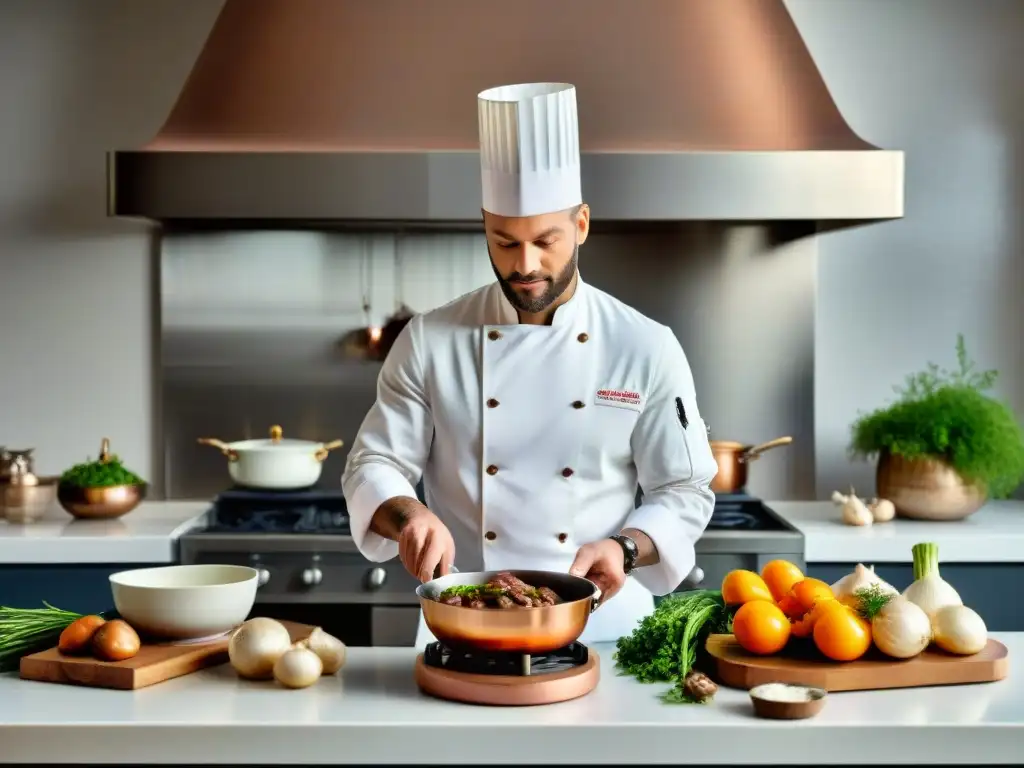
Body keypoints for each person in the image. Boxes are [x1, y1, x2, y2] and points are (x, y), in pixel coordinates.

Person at [342, 82, 718, 646]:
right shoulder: (430, 340)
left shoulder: (645, 345)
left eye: (546, 240)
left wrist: (626, 548)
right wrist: (408, 516)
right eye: (504, 241)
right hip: (462, 622)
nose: (526, 265)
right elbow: (373, 463)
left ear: (582, 224)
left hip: (603, 626)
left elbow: (685, 489)